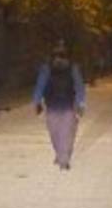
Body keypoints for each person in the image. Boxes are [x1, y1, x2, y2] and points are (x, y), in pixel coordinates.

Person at [33, 39, 87, 170]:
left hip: (52, 105)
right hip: (68, 104)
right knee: (67, 132)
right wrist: (80, 103)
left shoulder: (46, 68)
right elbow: (79, 86)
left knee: (55, 132)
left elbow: (40, 85)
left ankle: (61, 156)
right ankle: (63, 157)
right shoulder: (73, 67)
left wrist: (37, 102)